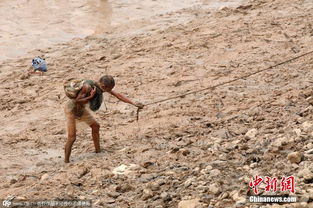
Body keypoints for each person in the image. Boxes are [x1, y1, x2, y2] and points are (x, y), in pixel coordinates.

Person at [64, 75, 144, 163]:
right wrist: (91, 97)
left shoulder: (100, 87)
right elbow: (77, 101)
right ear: (103, 86)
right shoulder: (87, 87)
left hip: (81, 110)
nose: (109, 91)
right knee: (72, 137)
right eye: (109, 89)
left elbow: (117, 95)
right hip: (71, 110)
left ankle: (98, 151)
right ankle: (66, 161)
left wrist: (133, 103)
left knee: (96, 126)